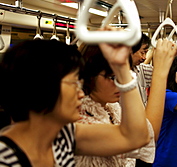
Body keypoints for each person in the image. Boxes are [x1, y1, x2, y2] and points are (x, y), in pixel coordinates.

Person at [0, 35, 149, 166]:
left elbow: (137, 138)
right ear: (42, 86)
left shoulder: (63, 135)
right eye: (73, 84)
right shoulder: (5, 157)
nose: (80, 93)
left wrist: (122, 69)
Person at [75, 39, 177, 166]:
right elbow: (141, 138)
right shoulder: (78, 120)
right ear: (88, 76)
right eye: (112, 77)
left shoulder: (112, 107)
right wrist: (160, 71)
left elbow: (147, 134)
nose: (120, 84)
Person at [131, 33, 153, 106]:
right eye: (142, 53)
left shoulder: (141, 69)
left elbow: (159, 74)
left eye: (145, 53)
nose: (144, 57)